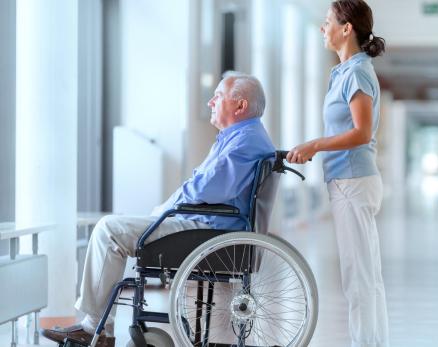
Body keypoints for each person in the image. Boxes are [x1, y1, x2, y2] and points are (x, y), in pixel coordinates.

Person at [42, 71, 275, 346]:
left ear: (240, 105)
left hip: (208, 231)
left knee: (109, 230)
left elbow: (205, 188)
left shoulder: (245, 141)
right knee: (124, 224)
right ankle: (96, 328)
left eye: (218, 96)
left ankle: (95, 328)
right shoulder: (242, 137)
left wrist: (166, 208)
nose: (211, 102)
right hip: (208, 226)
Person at [286, 1, 389, 346]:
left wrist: (315, 145)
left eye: (327, 21)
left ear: (347, 29)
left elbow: (361, 133)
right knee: (365, 275)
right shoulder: (344, 71)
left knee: (358, 278)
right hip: (350, 181)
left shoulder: (357, 72)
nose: (322, 27)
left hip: (353, 181)